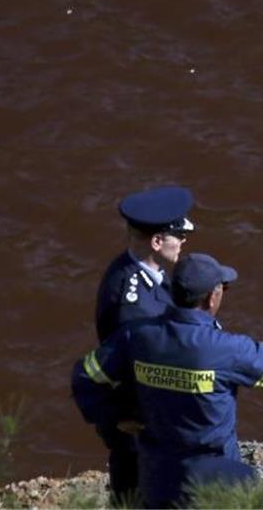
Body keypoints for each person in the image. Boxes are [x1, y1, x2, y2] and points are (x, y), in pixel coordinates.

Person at [72, 252, 263, 508]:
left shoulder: (137, 336)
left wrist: (114, 417)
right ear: (212, 298)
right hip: (212, 479)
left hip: (156, 476)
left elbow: (86, 376)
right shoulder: (227, 349)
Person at [92, 185, 196, 501]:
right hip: (138, 419)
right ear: (156, 241)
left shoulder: (144, 271)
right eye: (179, 236)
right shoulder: (133, 304)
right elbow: (133, 366)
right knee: (139, 490)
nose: (183, 242)